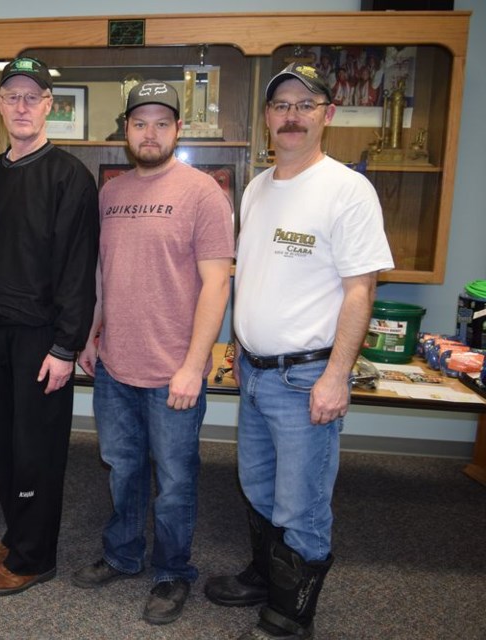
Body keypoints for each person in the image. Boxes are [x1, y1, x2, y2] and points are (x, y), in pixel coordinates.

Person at [204, 63, 393, 639]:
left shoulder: (348, 190)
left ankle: (292, 615)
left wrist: (337, 377)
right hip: (257, 375)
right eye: (281, 105)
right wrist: (238, 343)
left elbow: (361, 289)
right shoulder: (259, 187)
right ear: (267, 117)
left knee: (302, 504)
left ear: (326, 115)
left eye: (304, 105)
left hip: (306, 377)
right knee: (258, 488)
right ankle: (265, 578)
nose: (291, 115)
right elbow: (252, 277)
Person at [71, 80, 234, 625]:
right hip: (116, 364)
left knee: (176, 481)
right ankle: (122, 554)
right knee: (121, 469)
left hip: (174, 373)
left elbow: (217, 285)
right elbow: (101, 274)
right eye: (140, 123)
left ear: (178, 130)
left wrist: (195, 365)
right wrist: (92, 335)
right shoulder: (110, 194)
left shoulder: (204, 193)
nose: (150, 132)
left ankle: (172, 572)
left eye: (162, 123)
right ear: (126, 130)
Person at [0, 57, 99, 596]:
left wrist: (67, 346)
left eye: (32, 96)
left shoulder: (69, 176)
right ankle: (18, 532)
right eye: (11, 96)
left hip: (43, 339)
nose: (21, 106)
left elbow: (77, 268)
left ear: (49, 105)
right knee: (1, 446)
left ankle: (34, 557)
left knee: (36, 452)